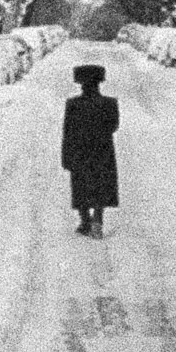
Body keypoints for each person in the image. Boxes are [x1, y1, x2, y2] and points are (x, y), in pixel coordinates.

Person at [61, 63, 120, 237]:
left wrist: (66, 155)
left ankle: (85, 220)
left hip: (79, 150)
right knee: (101, 184)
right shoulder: (110, 103)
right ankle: (98, 220)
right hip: (103, 150)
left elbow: (67, 131)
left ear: (81, 85)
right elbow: (114, 126)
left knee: (81, 184)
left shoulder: (73, 104)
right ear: (99, 84)